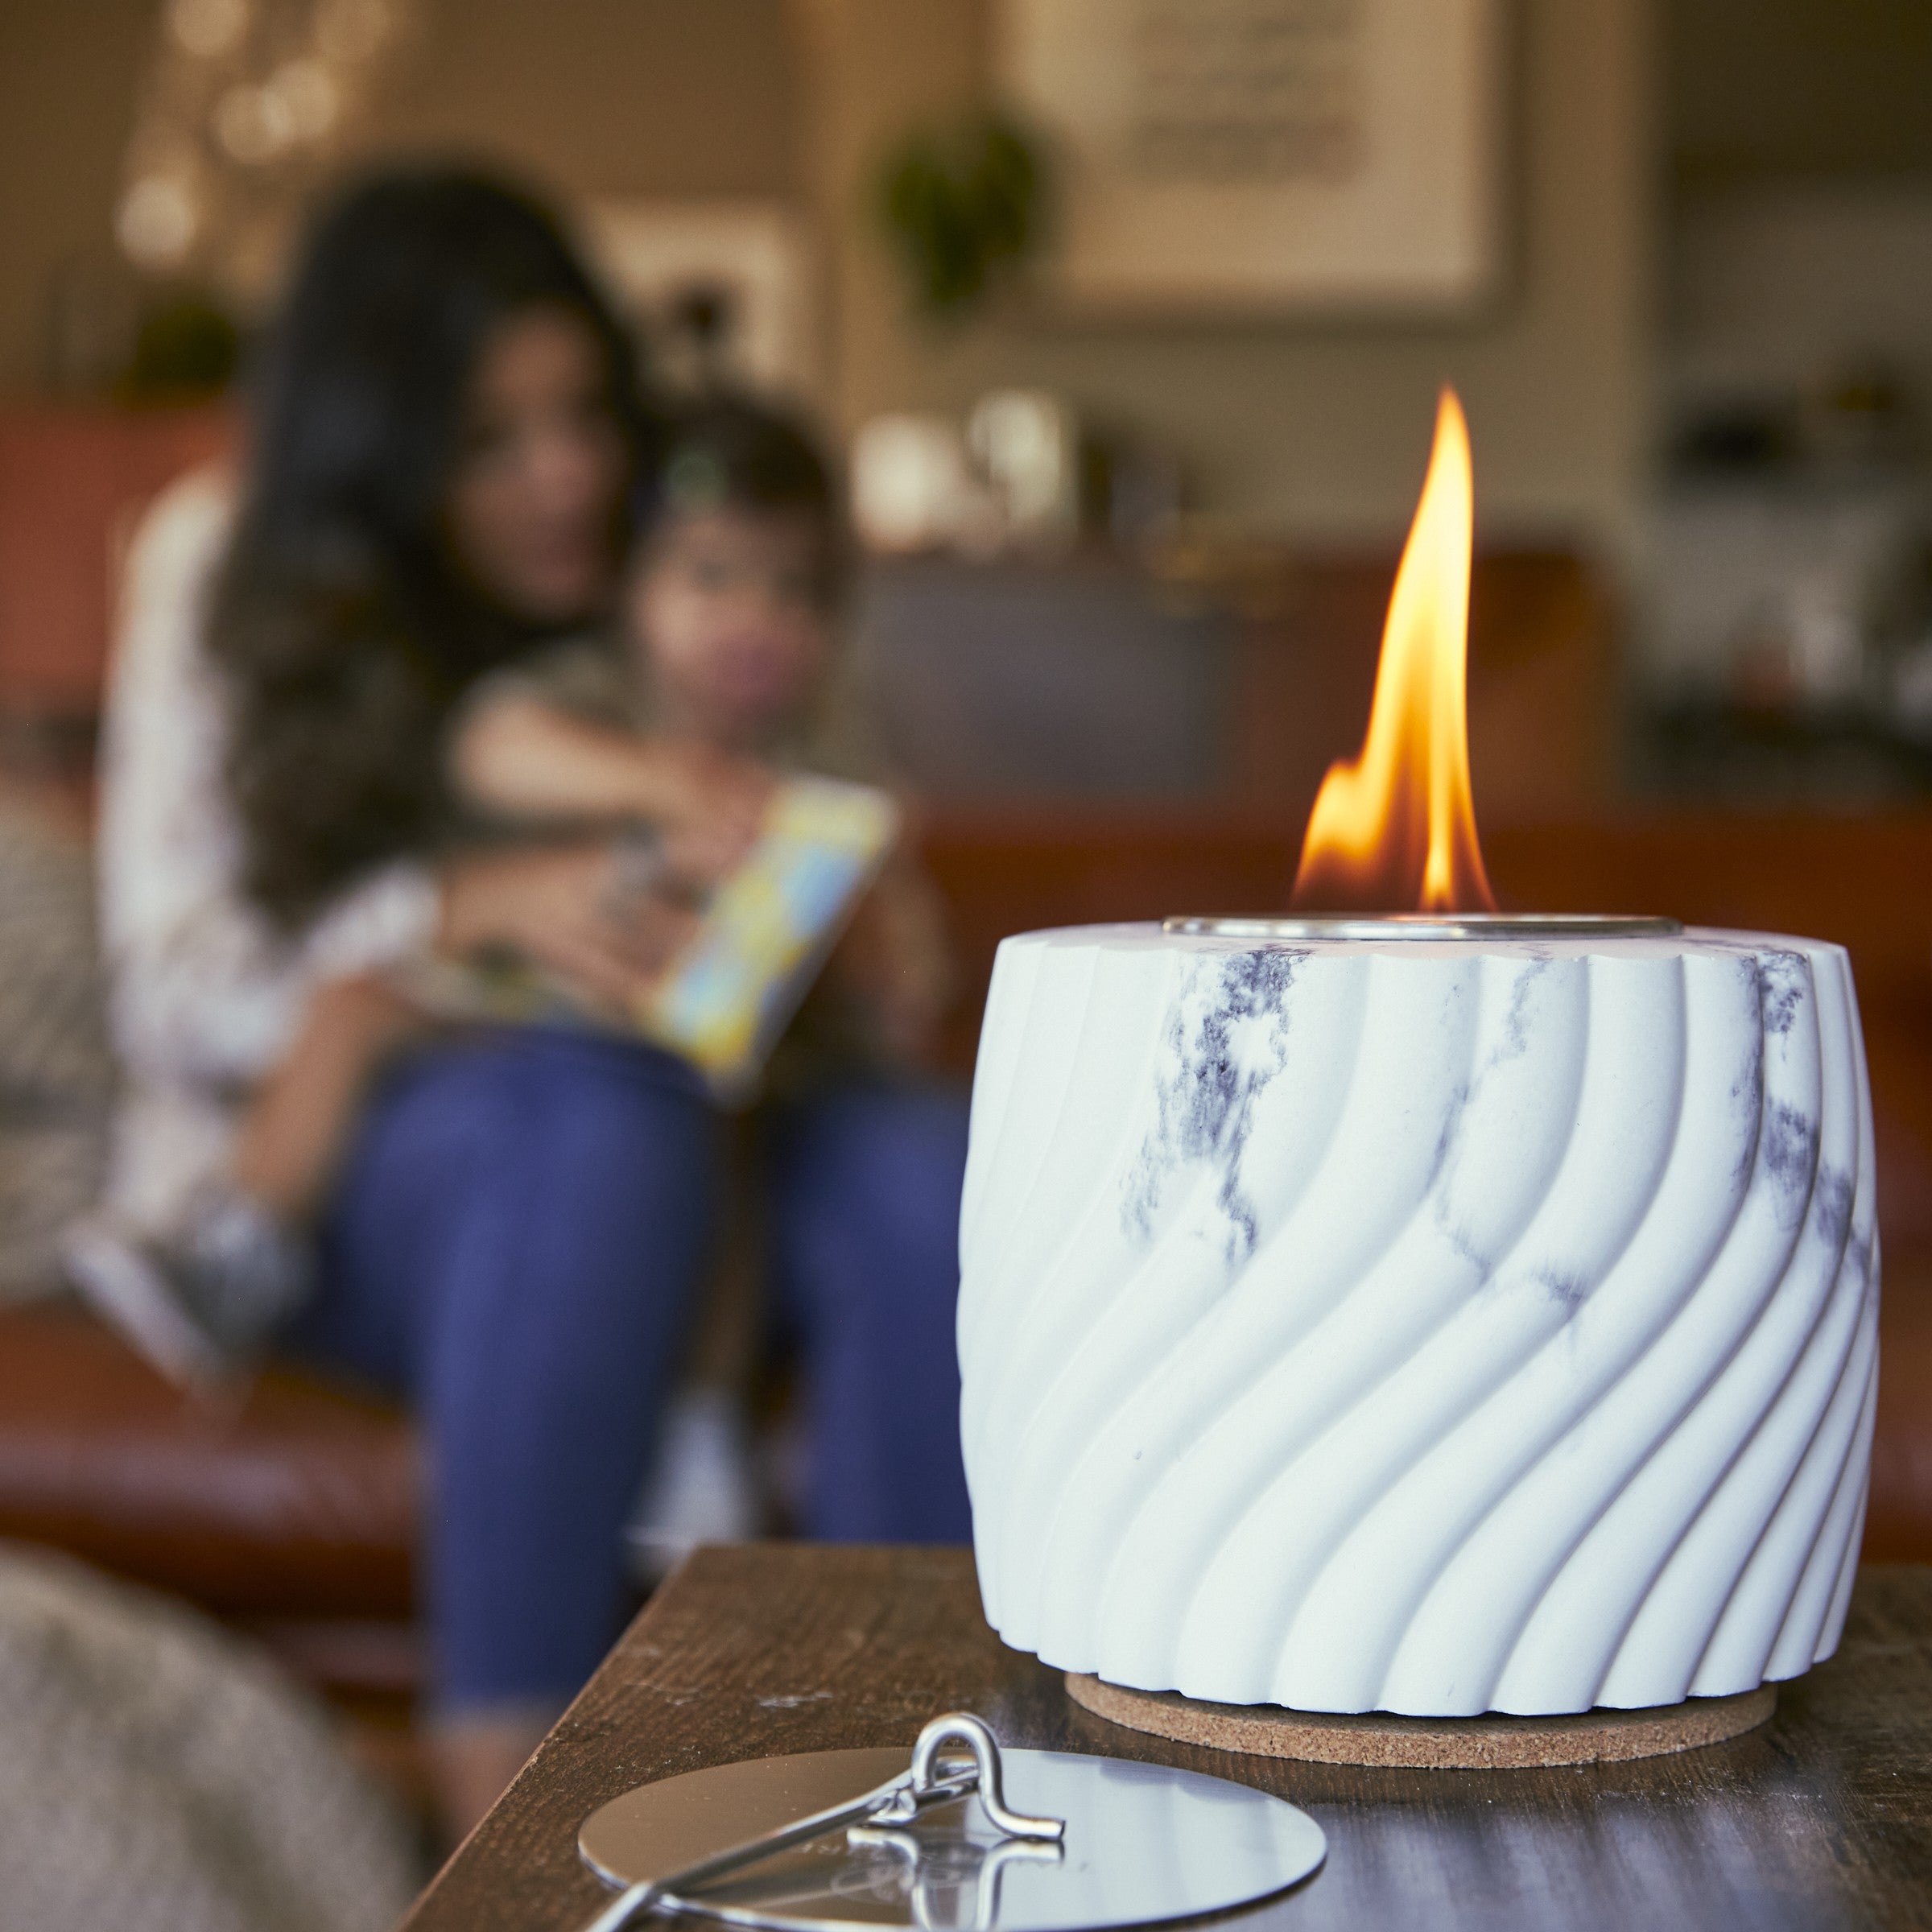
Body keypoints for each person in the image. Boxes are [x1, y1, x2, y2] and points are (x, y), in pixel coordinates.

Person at [72, 167, 969, 1839]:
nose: (565, 472)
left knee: (925, 1168)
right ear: (378, 455)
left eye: (581, 412)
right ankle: (519, 1816)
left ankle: (911, 1793)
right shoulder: (223, 558)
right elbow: (182, 989)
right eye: (491, 441)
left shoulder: (689, 545)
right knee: (597, 1121)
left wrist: (833, 928)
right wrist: (457, 927)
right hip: (386, 1161)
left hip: (722, 1138)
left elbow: (838, 832)